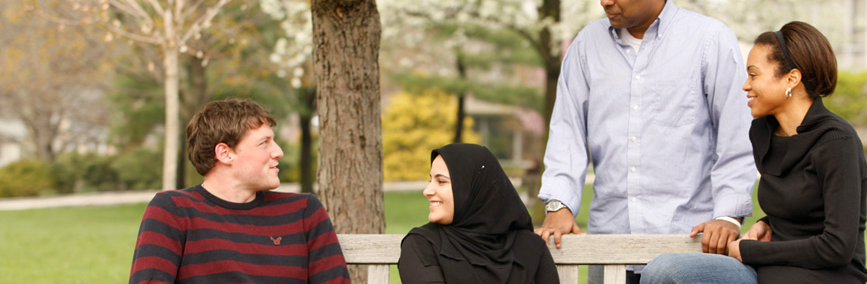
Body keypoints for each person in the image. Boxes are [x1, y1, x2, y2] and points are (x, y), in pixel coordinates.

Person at [535, 0, 756, 282]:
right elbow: (567, 131)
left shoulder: (709, 42)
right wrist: (558, 204)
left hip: (689, 247)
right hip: (609, 249)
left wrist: (728, 216)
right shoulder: (585, 46)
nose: (605, 0)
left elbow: (736, 136)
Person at [641, 21, 867, 283]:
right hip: (767, 271)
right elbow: (802, 206)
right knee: (664, 270)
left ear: (791, 79)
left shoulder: (836, 141)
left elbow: (837, 247)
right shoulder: (763, 132)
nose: (745, 86)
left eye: (753, 75)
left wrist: (751, 250)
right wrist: (768, 223)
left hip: (823, 276)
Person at [129, 98, 351, 284]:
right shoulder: (173, 211)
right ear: (225, 154)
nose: (278, 152)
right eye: (264, 143)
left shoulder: (303, 211)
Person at [399, 143, 559, 284]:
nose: (427, 191)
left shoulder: (530, 246)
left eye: (441, 181)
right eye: (430, 181)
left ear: (474, 188)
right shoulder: (422, 245)